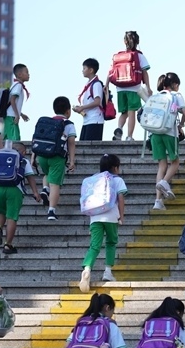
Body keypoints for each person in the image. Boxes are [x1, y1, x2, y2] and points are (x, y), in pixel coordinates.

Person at [79, 154, 128, 292]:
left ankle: (87, 268)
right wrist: (121, 216)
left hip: (95, 217)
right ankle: (108, 271)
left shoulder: (94, 179)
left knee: (94, 245)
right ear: (115, 168)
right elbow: (121, 199)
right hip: (111, 217)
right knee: (111, 242)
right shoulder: (117, 180)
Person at [0, 142, 41, 254]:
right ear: (23, 152)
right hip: (14, 190)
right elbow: (30, 177)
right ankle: (8, 245)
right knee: (11, 217)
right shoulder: (23, 160)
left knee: (0, 212)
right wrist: (35, 192)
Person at [151, 73, 185, 211]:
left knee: (162, 165)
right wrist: (181, 125)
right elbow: (184, 112)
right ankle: (164, 182)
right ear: (175, 84)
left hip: (154, 133)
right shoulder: (176, 95)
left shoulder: (156, 96)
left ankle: (158, 201)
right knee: (175, 162)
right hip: (169, 132)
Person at [36, 96, 77, 221]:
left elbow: (37, 139)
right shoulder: (68, 124)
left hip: (42, 155)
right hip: (57, 156)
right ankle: (51, 211)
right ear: (68, 111)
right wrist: (72, 161)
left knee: (47, 174)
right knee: (55, 184)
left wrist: (33, 156)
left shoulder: (46, 122)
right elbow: (71, 143)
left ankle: (45, 189)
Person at [110, 31, 152, 141]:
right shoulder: (139, 56)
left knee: (124, 112)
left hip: (120, 88)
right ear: (138, 41)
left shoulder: (118, 56)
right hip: (134, 88)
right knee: (131, 111)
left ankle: (119, 128)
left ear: (124, 41)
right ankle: (129, 136)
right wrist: (148, 87)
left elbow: (110, 72)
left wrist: (106, 85)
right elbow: (144, 72)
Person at [73, 58, 106, 141]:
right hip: (87, 120)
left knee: (91, 146)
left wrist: (82, 107)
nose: (82, 71)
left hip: (95, 120)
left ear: (91, 70)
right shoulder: (88, 84)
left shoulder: (96, 84)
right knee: (83, 145)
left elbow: (97, 102)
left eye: (84, 68)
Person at [4, 63, 31, 141]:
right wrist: (17, 115)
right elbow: (12, 100)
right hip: (11, 116)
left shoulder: (16, 85)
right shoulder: (18, 85)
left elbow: (13, 102)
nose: (29, 74)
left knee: (8, 138)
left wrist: (21, 114)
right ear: (19, 74)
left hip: (9, 115)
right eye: (26, 72)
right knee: (15, 139)